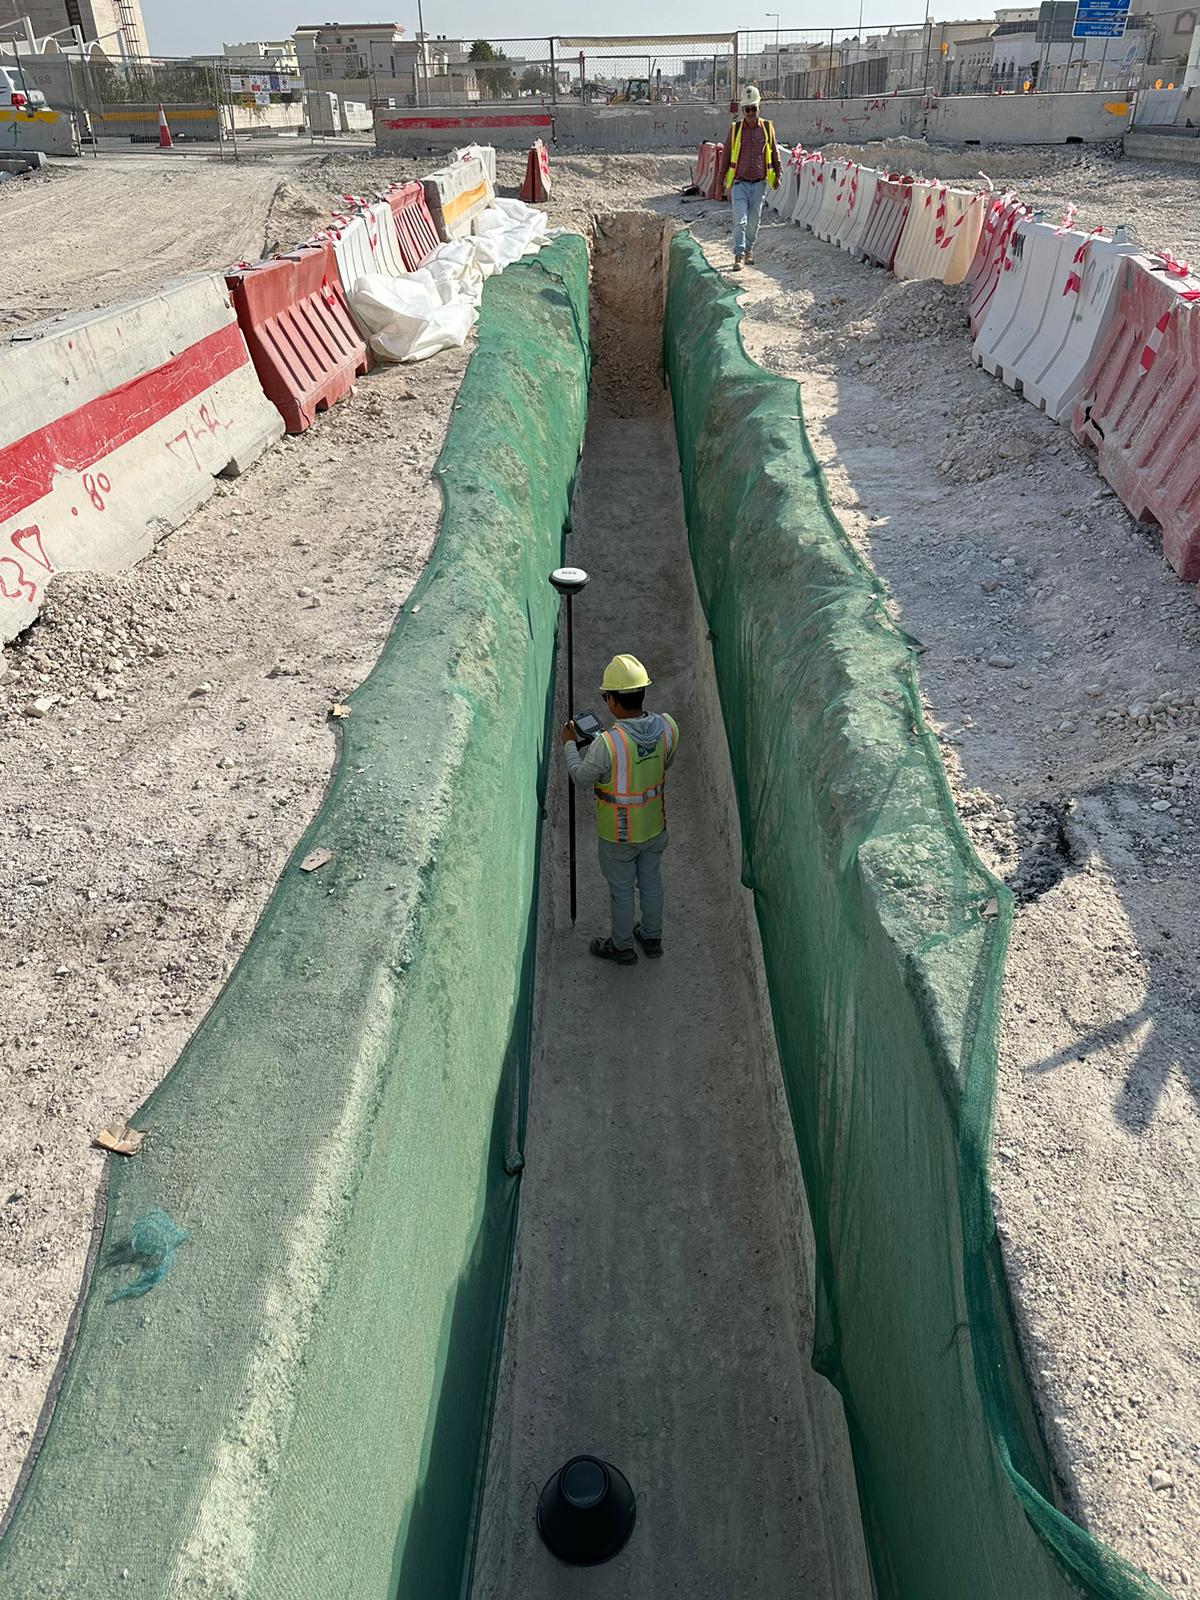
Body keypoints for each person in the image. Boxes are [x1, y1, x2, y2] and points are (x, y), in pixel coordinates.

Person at [560, 654, 680, 967]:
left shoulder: (607, 744)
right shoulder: (668, 728)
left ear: (612, 701)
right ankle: (652, 938)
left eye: (605, 696)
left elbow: (581, 777)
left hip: (618, 835)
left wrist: (570, 744)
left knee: (622, 891)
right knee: (651, 882)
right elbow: (663, 762)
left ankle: (622, 946)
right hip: (655, 826)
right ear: (642, 693)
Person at [721, 84, 782, 272]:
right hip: (740, 183)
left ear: (758, 108)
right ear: (742, 110)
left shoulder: (767, 128)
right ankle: (738, 254)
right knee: (740, 220)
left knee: (754, 221)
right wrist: (720, 183)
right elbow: (725, 157)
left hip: (759, 184)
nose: (750, 113)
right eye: (746, 110)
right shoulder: (735, 130)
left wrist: (778, 175)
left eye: (753, 109)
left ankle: (749, 250)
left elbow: (774, 153)